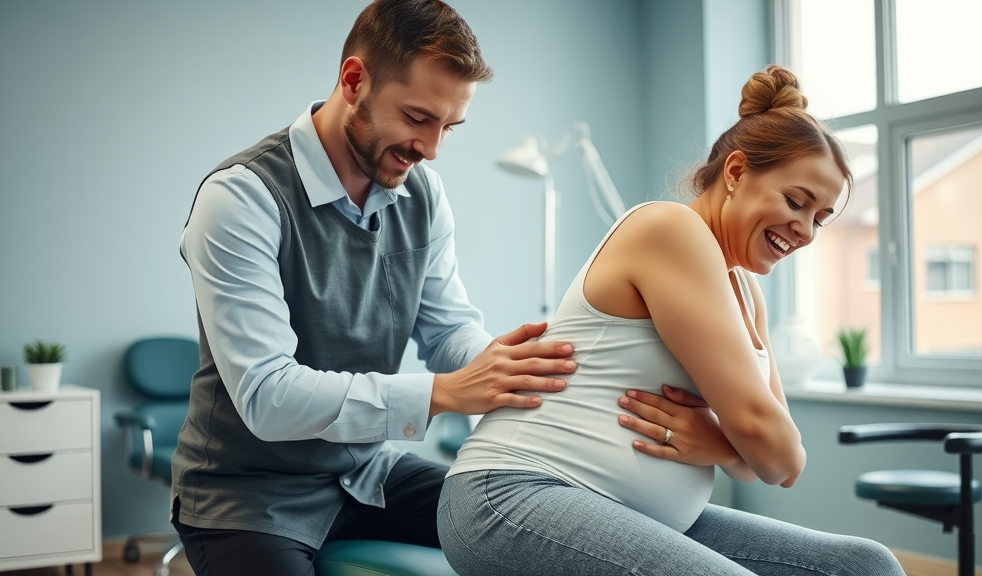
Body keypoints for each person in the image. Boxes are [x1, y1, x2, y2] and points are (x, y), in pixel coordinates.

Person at [437, 65, 907, 576]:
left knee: (866, 566)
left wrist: (719, 441)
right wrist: (738, 441)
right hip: (510, 496)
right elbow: (774, 447)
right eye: (796, 202)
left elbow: (773, 461)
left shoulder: (746, 292)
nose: (807, 232)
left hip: (631, 514)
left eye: (820, 217)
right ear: (735, 173)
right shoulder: (670, 229)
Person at [171, 1, 577, 575]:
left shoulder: (423, 195)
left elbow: (447, 330)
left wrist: (506, 367)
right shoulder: (241, 199)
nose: (431, 148)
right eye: (417, 118)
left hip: (365, 473)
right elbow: (267, 395)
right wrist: (445, 392)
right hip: (246, 496)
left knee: (529, 520)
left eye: (447, 127)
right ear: (355, 81)